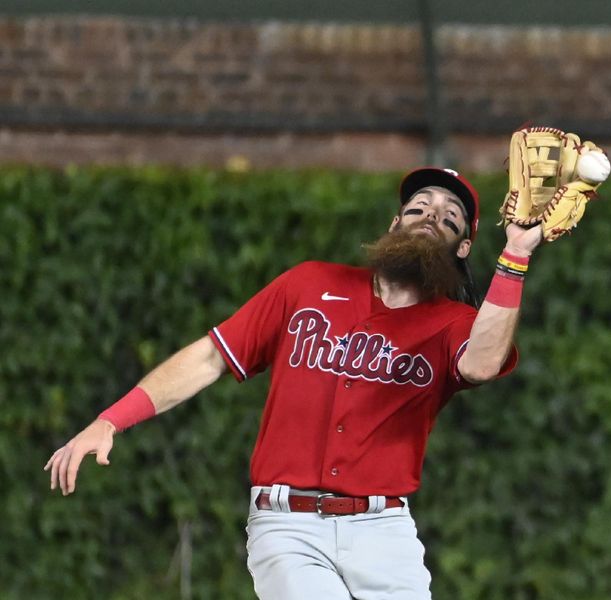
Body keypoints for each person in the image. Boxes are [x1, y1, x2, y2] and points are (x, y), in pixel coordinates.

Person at [45, 167, 543, 599]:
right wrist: (110, 420)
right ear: (395, 224)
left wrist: (516, 254)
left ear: (464, 246)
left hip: (383, 529)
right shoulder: (308, 284)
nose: (432, 215)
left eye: (450, 216)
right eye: (419, 207)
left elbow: (481, 362)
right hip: (288, 525)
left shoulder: (453, 322)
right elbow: (209, 357)